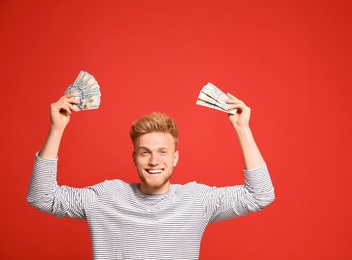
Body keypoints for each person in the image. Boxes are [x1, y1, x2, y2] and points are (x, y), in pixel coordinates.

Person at [27, 92, 275, 260]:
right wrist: (56, 129)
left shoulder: (197, 200)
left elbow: (260, 195)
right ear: (134, 158)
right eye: (145, 153)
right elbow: (42, 197)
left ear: (175, 158)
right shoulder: (105, 197)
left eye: (162, 152)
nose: (154, 161)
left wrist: (242, 129)